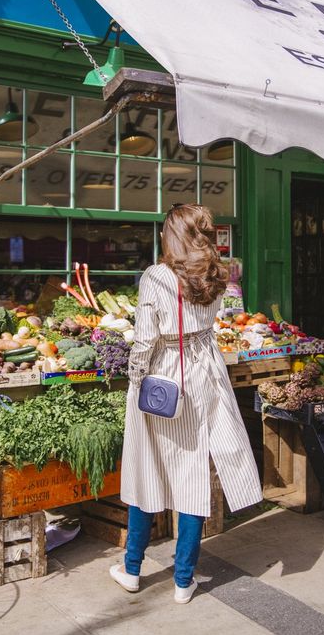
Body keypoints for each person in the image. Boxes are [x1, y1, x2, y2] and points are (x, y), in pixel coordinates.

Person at [110, 203, 262, 604]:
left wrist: (135, 382)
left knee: (146, 470)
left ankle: (131, 568)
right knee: (193, 474)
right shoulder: (217, 274)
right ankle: (182, 580)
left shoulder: (157, 276)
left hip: (164, 377)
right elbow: (211, 324)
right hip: (205, 373)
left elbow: (144, 340)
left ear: (171, 236)